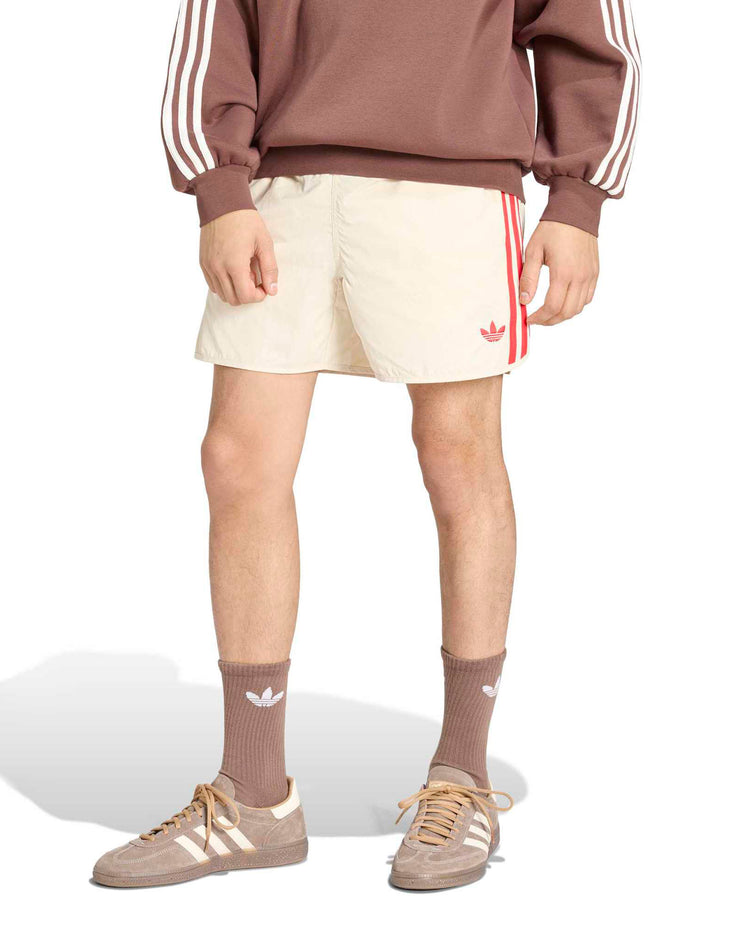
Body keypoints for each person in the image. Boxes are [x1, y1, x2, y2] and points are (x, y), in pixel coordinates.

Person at [93, 0, 640, 891]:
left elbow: (588, 27)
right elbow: (216, 20)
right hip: (283, 185)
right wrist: (218, 187)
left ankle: (462, 775)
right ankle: (255, 795)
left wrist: (577, 200)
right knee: (237, 458)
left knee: (459, 455)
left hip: (456, 186)